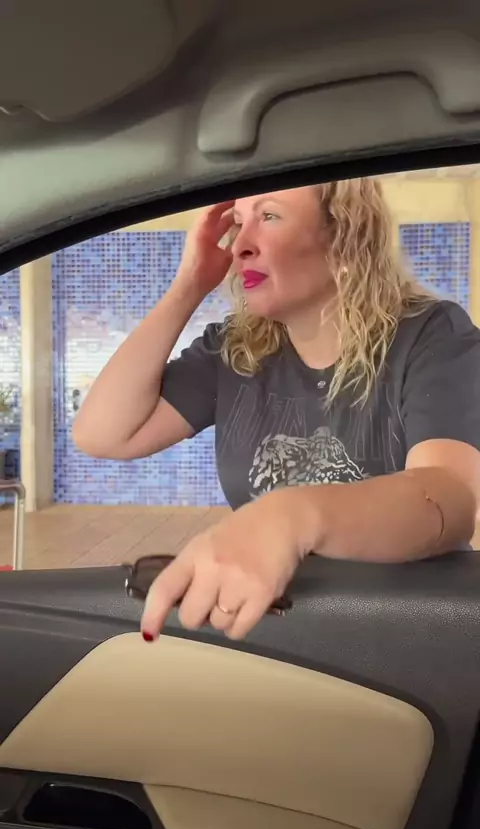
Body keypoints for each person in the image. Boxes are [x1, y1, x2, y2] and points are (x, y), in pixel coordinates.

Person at [73, 179, 480, 642]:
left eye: (268, 216)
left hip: (406, 632)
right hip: (279, 627)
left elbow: (451, 501)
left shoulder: (431, 335)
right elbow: (104, 434)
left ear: (342, 235)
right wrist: (189, 285)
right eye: (238, 223)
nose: (240, 246)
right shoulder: (234, 349)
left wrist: (293, 516)